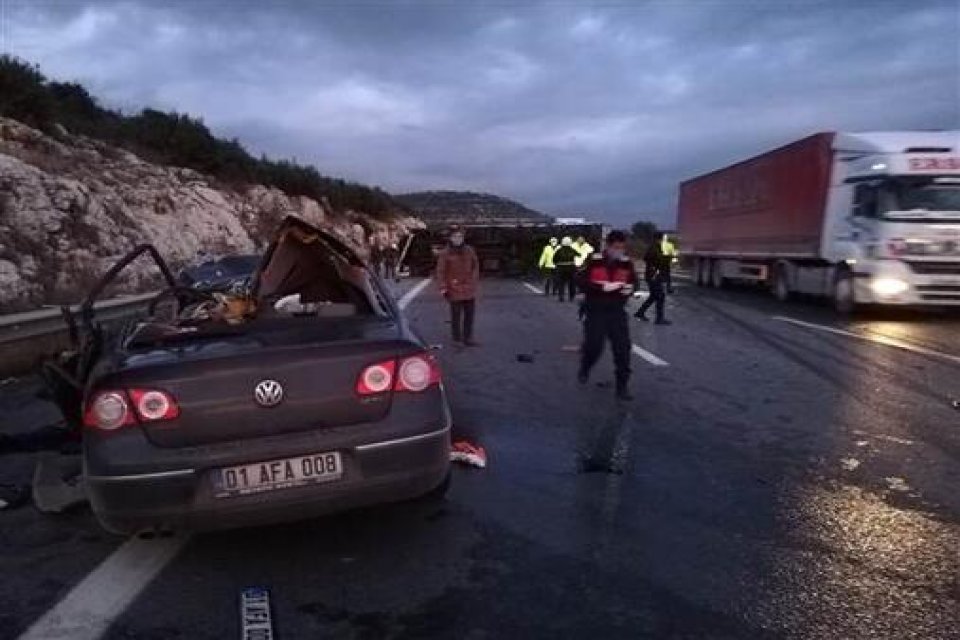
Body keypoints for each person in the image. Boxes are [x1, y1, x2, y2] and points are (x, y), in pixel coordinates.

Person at [577, 230, 638, 400]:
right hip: (596, 310)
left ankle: (622, 387)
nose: (619, 251)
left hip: (617, 311)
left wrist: (630, 289)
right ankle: (585, 367)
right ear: (609, 246)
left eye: (622, 248)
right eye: (616, 247)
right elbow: (580, 280)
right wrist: (601, 288)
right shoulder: (594, 260)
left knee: (623, 349)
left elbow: (634, 282)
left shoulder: (626, 263)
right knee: (594, 346)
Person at [436, 226, 480, 346]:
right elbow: (440, 271)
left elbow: (475, 265)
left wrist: (473, 280)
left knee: (469, 315)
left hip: (469, 288)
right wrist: (443, 287)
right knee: (456, 315)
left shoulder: (469, 250)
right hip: (453, 288)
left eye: (460, 236)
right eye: (455, 237)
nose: (458, 239)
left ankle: (468, 337)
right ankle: (456, 339)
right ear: (450, 238)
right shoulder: (445, 253)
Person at [635, 238, 672, 325]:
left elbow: (648, 259)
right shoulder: (655, 248)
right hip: (653, 275)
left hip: (651, 275)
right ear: (659, 239)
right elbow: (656, 260)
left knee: (654, 296)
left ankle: (640, 313)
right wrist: (665, 258)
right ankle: (659, 319)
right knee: (660, 296)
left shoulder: (653, 248)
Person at [551, 237, 579, 302]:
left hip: (561, 268)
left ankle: (561, 296)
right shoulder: (572, 250)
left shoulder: (559, 250)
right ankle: (571, 296)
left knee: (561, 283)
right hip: (571, 268)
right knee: (572, 283)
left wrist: (557, 265)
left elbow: (554, 260)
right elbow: (579, 256)